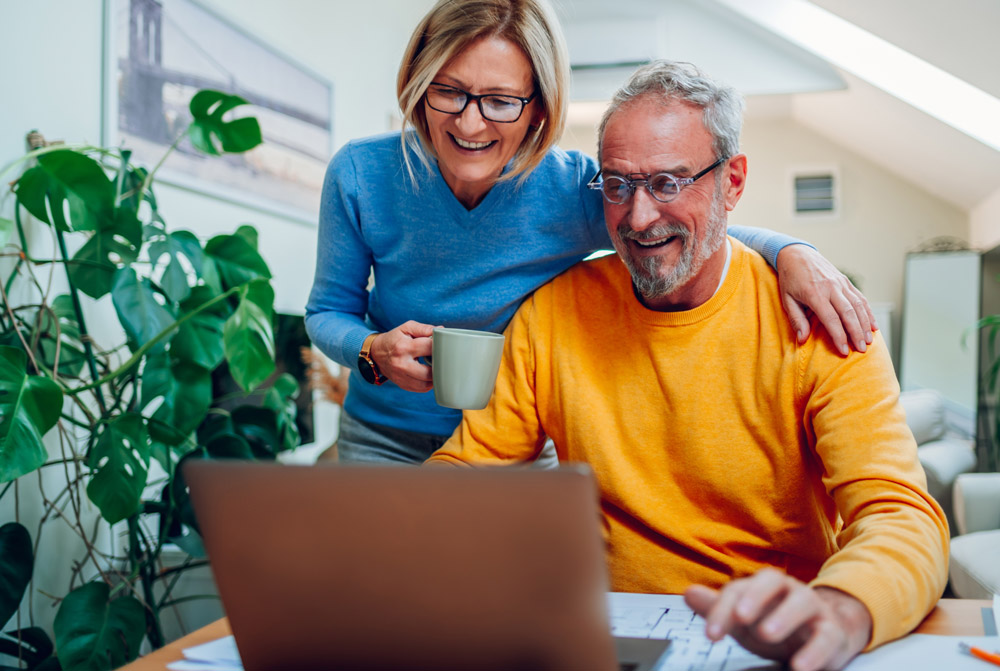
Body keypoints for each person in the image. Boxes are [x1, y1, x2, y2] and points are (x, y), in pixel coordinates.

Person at [426, 60, 948, 671]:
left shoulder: (818, 320)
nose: (639, 216)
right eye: (617, 185)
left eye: (668, 183)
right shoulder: (553, 313)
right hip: (607, 640)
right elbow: (466, 472)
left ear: (732, 183)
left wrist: (839, 609)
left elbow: (900, 515)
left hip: (774, 645)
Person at [304, 0, 875, 466]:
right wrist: (371, 351)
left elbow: (683, 225)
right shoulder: (361, 174)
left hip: (519, 446)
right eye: (449, 91)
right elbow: (327, 310)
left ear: (538, 110)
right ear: (418, 83)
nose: (470, 122)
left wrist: (793, 250)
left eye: (501, 101)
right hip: (381, 438)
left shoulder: (569, 190)